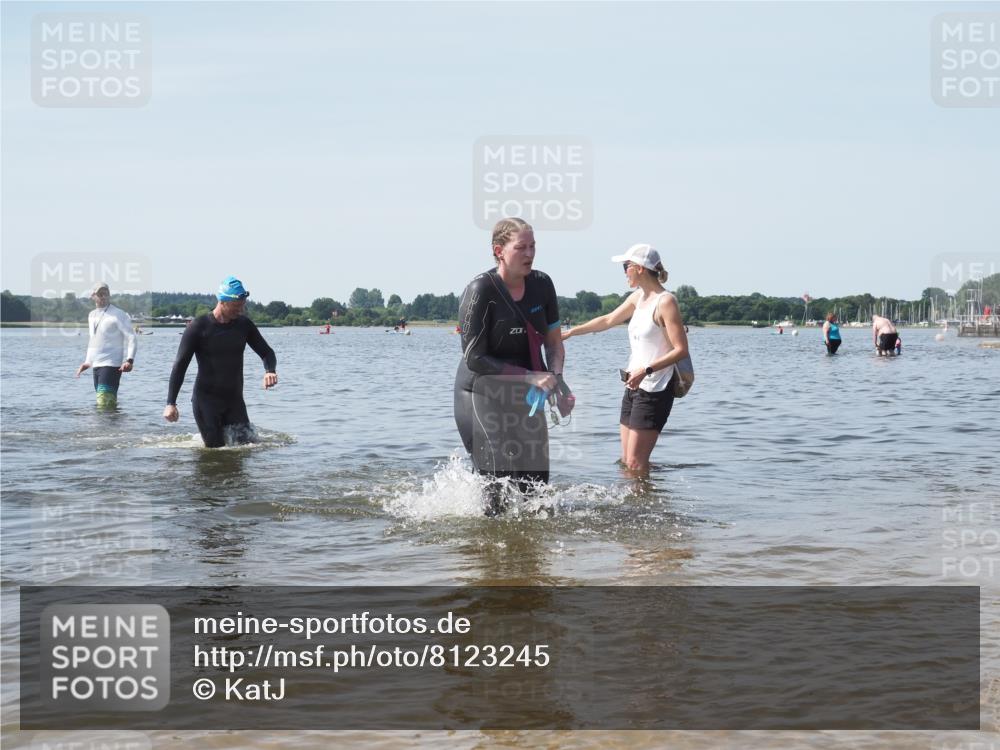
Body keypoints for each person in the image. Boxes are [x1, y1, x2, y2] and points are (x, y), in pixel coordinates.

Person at [454, 217, 566, 515]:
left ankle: (531, 543)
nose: (530, 254)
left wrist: (557, 379)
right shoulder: (481, 289)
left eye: (533, 246)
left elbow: (554, 343)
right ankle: (490, 541)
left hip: (526, 391)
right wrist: (530, 376)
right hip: (480, 391)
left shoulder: (542, 285)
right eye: (521, 247)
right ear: (499, 251)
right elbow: (474, 358)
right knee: (498, 481)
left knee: (536, 488)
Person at [562, 244, 689, 475]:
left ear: (639, 268)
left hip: (655, 388)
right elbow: (608, 320)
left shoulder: (666, 301)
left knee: (635, 463)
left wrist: (646, 370)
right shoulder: (638, 297)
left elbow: (680, 350)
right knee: (627, 462)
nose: (624, 273)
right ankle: (642, 496)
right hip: (632, 386)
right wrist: (570, 332)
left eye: (625, 266)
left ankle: (650, 496)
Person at [163, 276, 278, 447]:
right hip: (206, 402)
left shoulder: (244, 325)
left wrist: (270, 370)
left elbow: (267, 352)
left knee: (248, 448)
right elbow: (180, 365)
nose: (241, 310)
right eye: (236, 306)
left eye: (243, 306)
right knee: (215, 451)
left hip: (235, 401)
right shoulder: (198, 327)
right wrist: (170, 403)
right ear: (222, 302)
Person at [75, 282, 137, 409]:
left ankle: (109, 422)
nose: (103, 296)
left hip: (111, 365)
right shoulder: (91, 315)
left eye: (106, 293)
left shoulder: (118, 314)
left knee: (104, 404)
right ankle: (113, 422)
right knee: (105, 404)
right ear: (93, 296)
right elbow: (93, 340)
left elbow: (131, 337)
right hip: (96, 365)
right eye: (100, 294)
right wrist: (87, 362)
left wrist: (129, 360)